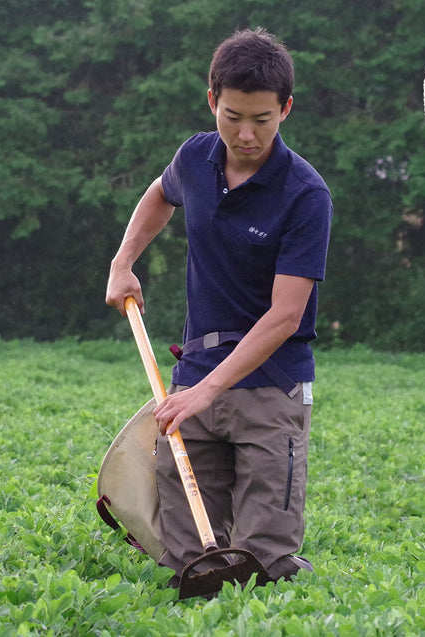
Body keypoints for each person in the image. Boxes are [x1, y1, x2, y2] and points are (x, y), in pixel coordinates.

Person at [105, 27, 333, 586]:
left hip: (270, 385)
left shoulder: (305, 195)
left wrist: (208, 391)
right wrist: (123, 261)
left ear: (286, 110)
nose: (246, 134)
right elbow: (161, 193)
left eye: (262, 119)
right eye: (232, 116)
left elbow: (285, 315)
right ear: (212, 102)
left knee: (266, 564)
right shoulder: (197, 157)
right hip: (195, 375)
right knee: (190, 562)